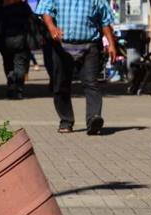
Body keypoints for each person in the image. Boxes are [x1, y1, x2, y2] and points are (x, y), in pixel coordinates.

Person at [36, 0, 116, 135]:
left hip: (89, 46)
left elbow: (105, 21)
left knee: (91, 82)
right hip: (61, 46)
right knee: (61, 84)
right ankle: (66, 120)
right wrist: (51, 27)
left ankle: (93, 120)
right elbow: (45, 11)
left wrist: (111, 44)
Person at [2, 0, 32, 99]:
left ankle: (11, 85)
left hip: (6, 41)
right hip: (21, 41)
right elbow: (31, 23)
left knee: (8, 64)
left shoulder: (4, 8)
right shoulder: (25, 8)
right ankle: (18, 88)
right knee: (20, 65)